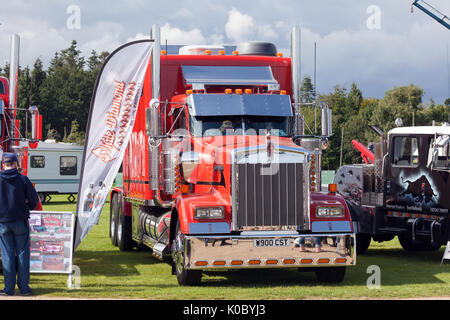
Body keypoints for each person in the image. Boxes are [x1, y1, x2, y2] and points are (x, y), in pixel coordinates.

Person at [0, 153, 39, 296]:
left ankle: (8, 289)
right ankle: (24, 288)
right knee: (23, 254)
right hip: (20, 221)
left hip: (3, 222)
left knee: (7, 254)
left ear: (3, 164)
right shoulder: (23, 179)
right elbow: (34, 202)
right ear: (16, 164)